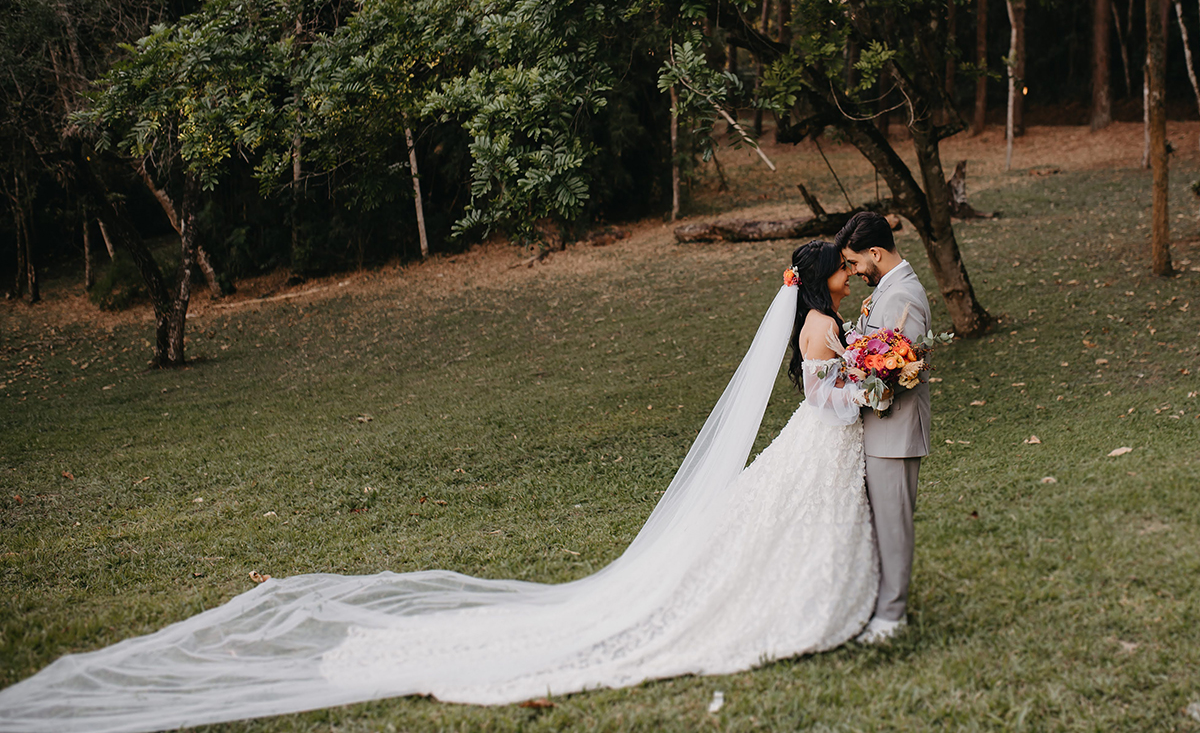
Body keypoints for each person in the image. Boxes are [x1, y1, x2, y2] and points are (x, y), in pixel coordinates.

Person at [0, 241, 879, 733]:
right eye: (840, 266)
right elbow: (819, 388)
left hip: (824, 443)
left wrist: (871, 372)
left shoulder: (823, 314)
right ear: (823, 274)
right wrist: (870, 382)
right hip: (821, 435)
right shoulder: (813, 325)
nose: (847, 272)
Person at [834, 211, 931, 644]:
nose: (854, 272)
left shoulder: (903, 294)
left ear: (875, 253)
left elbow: (897, 369)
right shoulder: (887, 292)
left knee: (894, 525)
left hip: (895, 433)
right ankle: (878, 602)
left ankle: (892, 617)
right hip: (878, 431)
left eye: (855, 263)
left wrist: (849, 372)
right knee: (880, 523)